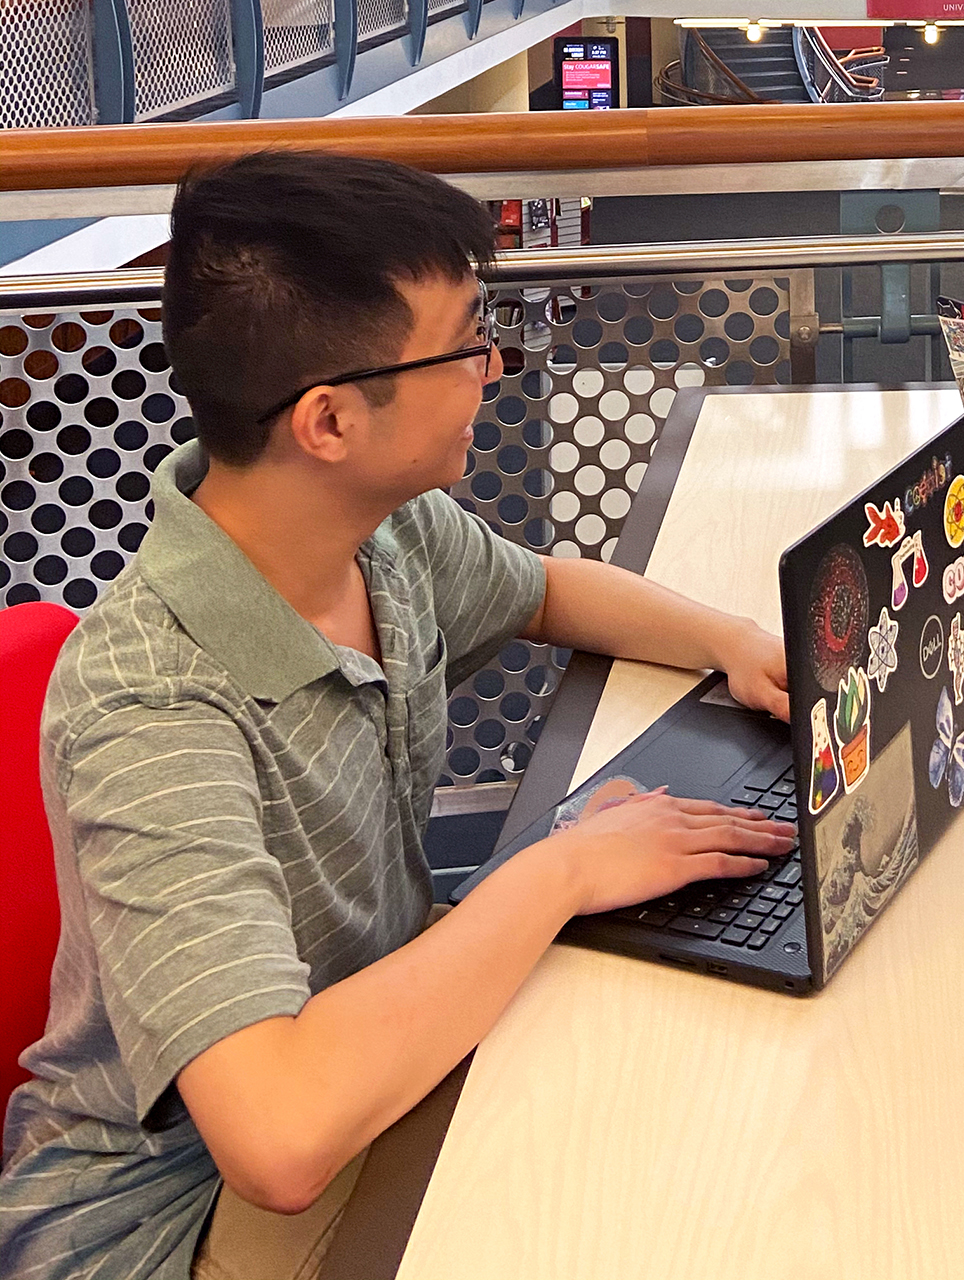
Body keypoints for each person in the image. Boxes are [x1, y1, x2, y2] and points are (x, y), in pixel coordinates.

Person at [0, 152, 796, 1280]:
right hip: (159, 1215)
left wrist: (736, 645)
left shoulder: (381, 534)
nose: (493, 366)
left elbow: (546, 589)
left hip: (359, 1056)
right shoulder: (151, 701)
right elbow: (276, 1137)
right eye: (468, 342)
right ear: (328, 420)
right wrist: (558, 872)